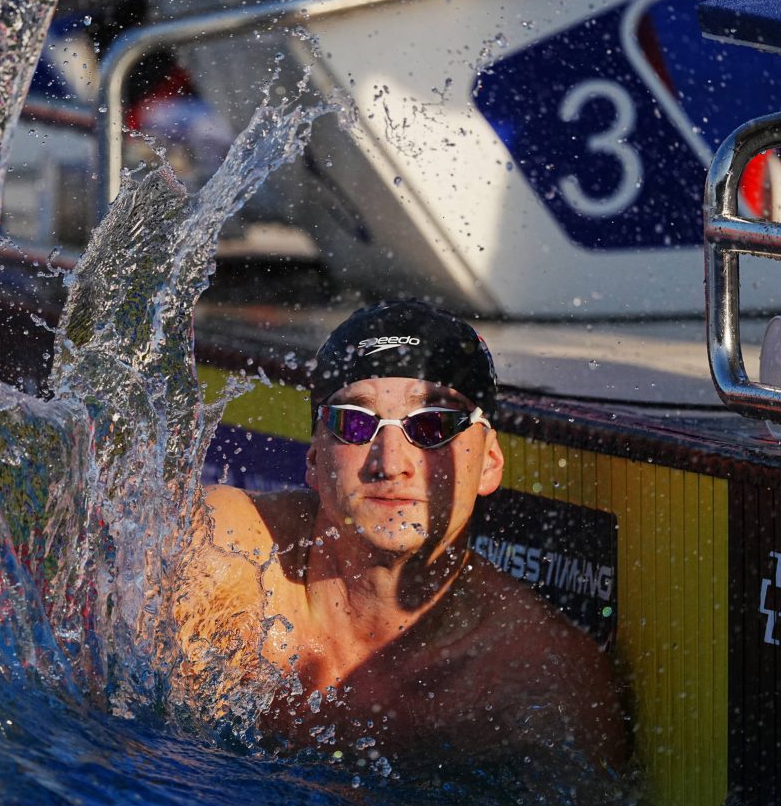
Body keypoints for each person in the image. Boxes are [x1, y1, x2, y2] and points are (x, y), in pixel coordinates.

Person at [175, 299, 628, 780]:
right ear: (313, 460)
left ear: (490, 463)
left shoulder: (534, 678)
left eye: (433, 426)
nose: (390, 462)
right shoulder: (221, 555)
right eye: (355, 423)